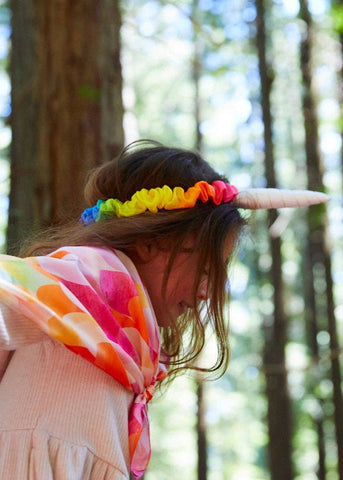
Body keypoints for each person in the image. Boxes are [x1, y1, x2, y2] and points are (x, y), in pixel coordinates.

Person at [0, 140, 329, 480]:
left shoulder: (120, 342)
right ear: (151, 241)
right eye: (206, 269)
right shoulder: (78, 282)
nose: (206, 293)